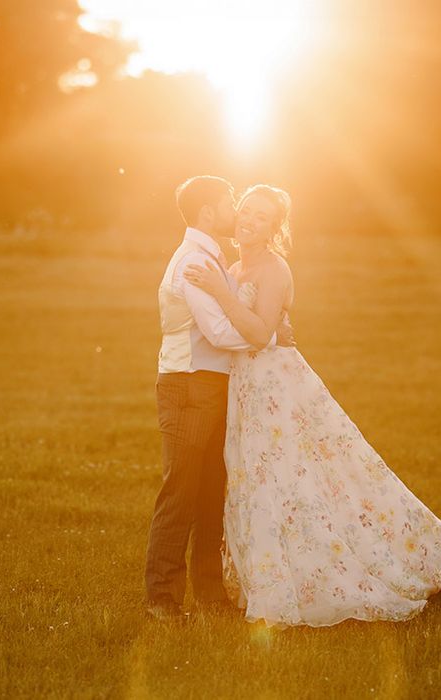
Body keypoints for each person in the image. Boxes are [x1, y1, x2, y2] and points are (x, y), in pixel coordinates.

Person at [183, 184, 441, 628]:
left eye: (263, 217)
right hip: (246, 391)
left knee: (307, 476)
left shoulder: (274, 269)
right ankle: (269, 574)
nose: (250, 219)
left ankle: (378, 560)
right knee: (258, 481)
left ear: (274, 229)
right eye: (247, 210)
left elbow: (256, 333)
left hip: (278, 390)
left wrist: (220, 289)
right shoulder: (234, 266)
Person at [145, 176, 292, 621]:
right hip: (189, 384)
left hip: (211, 383)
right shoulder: (193, 261)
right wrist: (268, 336)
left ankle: (209, 593)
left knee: (212, 492)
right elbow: (220, 331)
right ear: (209, 213)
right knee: (182, 490)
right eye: (231, 203)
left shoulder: (213, 257)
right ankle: (162, 598)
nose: (237, 212)